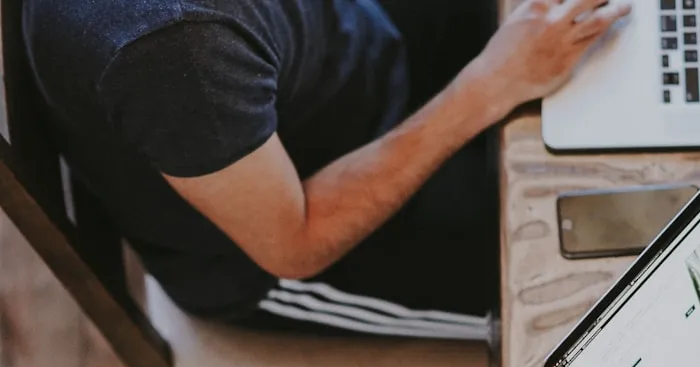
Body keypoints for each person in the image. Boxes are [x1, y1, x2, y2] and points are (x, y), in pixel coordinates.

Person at [22, 0, 630, 340]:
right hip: (296, 237)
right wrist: (490, 85)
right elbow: (297, 243)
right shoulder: (175, 52)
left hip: (348, 48)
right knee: (599, 292)